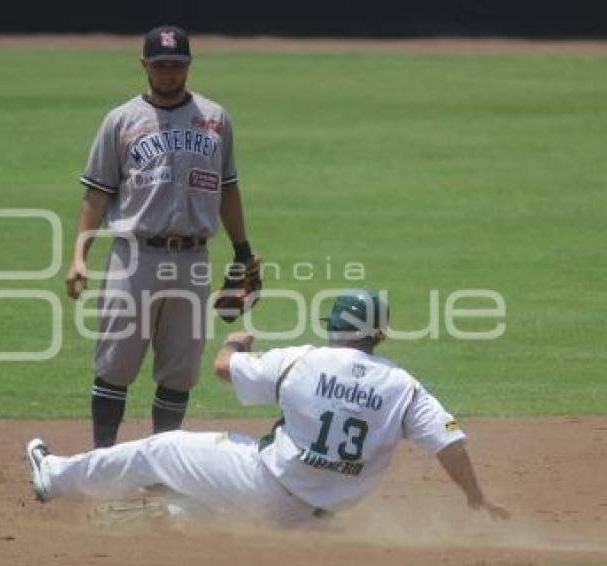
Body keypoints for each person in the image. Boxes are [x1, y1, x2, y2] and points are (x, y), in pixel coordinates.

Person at [25, 290, 510, 526]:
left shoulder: (305, 359)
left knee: (164, 448)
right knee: (223, 504)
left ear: (335, 327)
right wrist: (474, 497)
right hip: (315, 520)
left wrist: (236, 340)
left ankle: (57, 477)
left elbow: (222, 368)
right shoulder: (404, 387)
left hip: (264, 485)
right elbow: (450, 441)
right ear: (378, 334)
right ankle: (152, 516)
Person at [64, 25, 256, 448]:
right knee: (115, 365)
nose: (169, 72)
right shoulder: (121, 120)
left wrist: (243, 250)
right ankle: (103, 459)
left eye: (177, 64)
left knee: (180, 370)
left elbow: (228, 188)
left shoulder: (215, 119)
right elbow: (96, 193)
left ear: (188, 65)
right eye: (160, 65)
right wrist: (80, 255)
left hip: (192, 259)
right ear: (144, 65)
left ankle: (160, 463)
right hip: (135, 258)